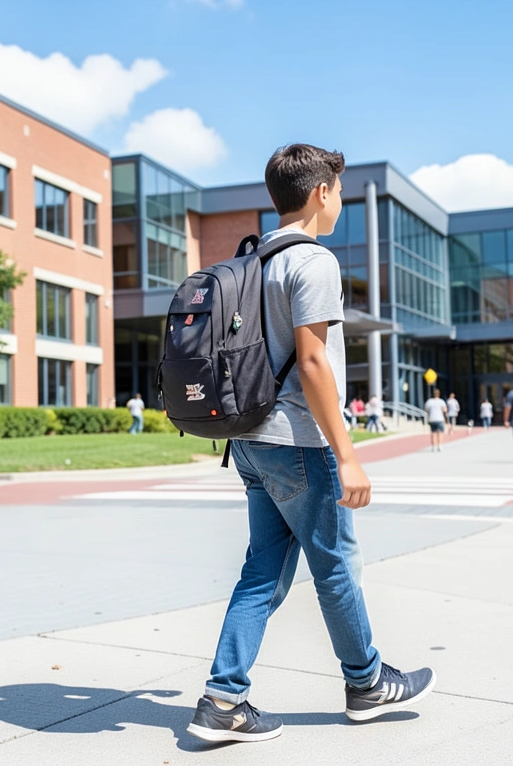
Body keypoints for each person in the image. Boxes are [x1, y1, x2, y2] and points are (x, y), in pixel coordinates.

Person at [188, 144, 432, 744]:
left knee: (262, 571)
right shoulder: (313, 261)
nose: (341, 201)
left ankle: (224, 698)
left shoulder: (255, 259)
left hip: (247, 440)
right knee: (336, 565)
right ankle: (367, 682)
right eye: (340, 191)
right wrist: (347, 455)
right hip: (296, 442)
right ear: (322, 191)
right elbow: (315, 359)